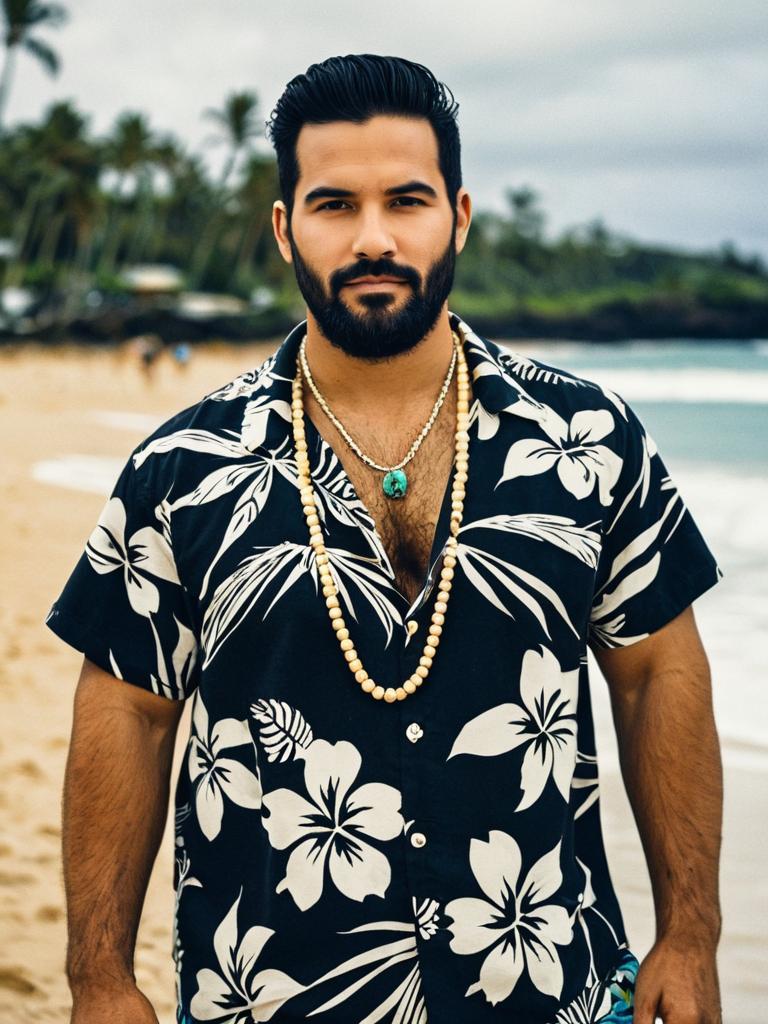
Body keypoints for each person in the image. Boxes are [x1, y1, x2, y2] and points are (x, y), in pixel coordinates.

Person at [47, 55, 724, 1024]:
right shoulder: (185, 465)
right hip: (273, 996)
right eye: (333, 205)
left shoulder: (588, 440)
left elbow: (659, 672)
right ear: (286, 229)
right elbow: (127, 712)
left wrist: (690, 935)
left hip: (543, 990)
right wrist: (99, 979)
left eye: (406, 200)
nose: (373, 238)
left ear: (459, 213)